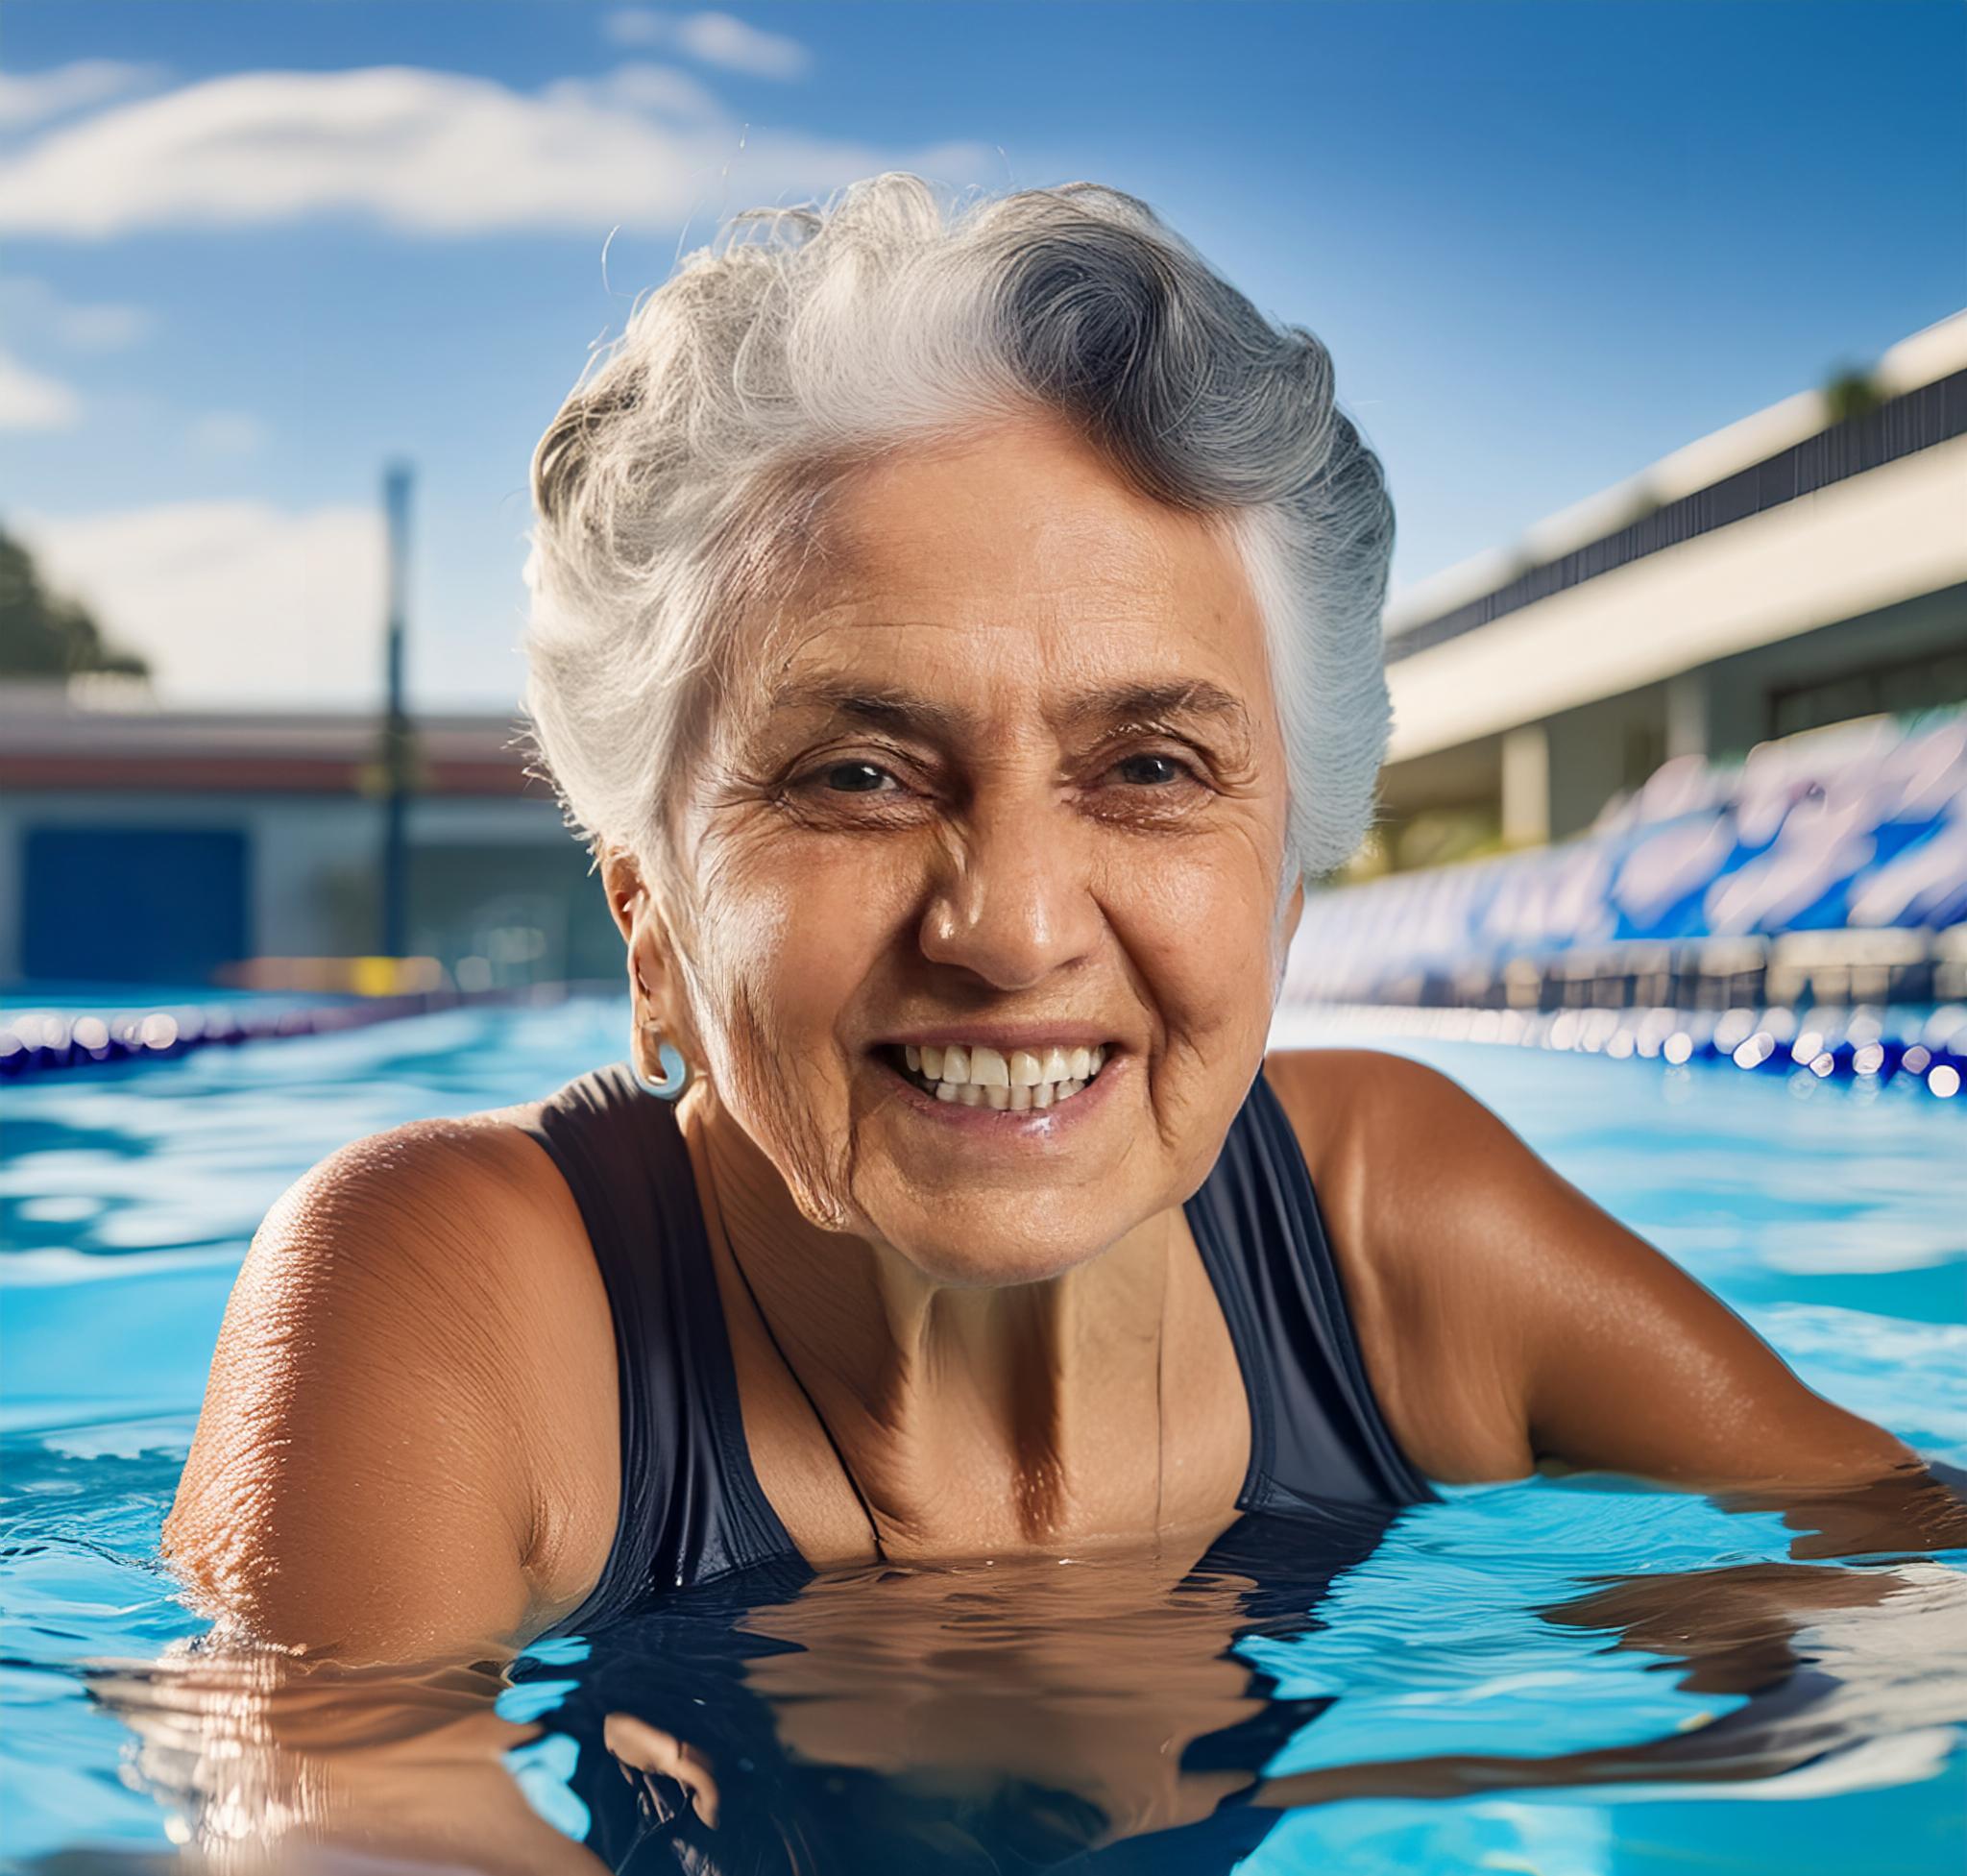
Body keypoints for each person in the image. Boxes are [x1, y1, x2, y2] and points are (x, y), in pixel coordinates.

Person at [162, 172, 1944, 1676]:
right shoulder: (452, 1298)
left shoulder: (1391, 1227)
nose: (1010, 929)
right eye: (859, 776)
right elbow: (334, 1874)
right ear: (649, 912)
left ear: (1288, 878)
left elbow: (1904, 1576)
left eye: (1152, 766)